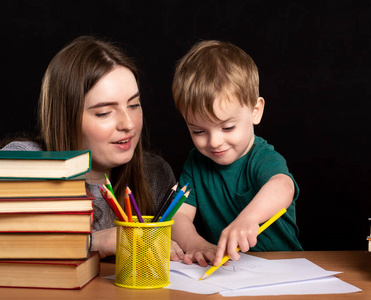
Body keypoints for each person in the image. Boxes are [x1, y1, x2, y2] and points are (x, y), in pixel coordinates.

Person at [1, 36, 184, 260]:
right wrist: (94, 242)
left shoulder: (155, 173)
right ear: (67, 118)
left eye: (134, 105)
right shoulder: (22, 162)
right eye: (104, 113)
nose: (128, 124)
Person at [171, 40, 303, 267]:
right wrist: (195, 243)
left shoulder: (261, 157)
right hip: (229, 271)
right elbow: (177, 214)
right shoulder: (196, 162)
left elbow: (283, 186)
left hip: (282, 267)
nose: (214, 141)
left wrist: (249, 218)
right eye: (198, 131)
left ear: (255, 111)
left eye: (227, 127)